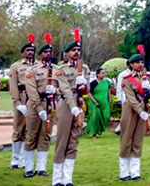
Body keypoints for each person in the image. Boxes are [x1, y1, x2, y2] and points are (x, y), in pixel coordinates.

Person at [23, 34, 63, 178]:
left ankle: (41, 167)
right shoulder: (32, 70)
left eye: (50, 52)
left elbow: (63, 88)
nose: (48, 54)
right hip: (35, 106)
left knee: (45, 135)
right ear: (40, 54)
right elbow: (31, 91)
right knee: (31, 135)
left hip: (50, 105)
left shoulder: (57, 70)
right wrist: (39, 109)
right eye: (45, 52)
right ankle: (28, 167)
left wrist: (56, 90)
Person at [53, 30, 86, 186]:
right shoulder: (61, 70)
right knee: (62, 141)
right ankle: (57, 179)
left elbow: (87, 90)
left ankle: (67, 179)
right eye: (73, 50)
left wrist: (84, 85)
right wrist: (73, 107)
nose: (76, 52)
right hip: (66, 105)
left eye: (78, 50)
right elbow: (65, 89)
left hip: (78, 104)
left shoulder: (84, 69)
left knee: (73, 142)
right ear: (66, 54)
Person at [119, 46, 150, 181]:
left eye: (142, 62)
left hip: (141, 109)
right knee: (127, 139)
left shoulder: (145, 78)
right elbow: (131, 98)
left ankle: (135, 172)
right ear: (131, 64)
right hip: (130, 109)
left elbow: (148, 96)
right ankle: (124, 172)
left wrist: (148, 89)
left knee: (138, 140)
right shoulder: (127, 79)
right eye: (137, 62)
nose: (140, 64)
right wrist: (140, 111)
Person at [8, 34, 36, 170]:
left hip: (34, 98)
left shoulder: (38, 66)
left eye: (32, 50)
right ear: (23, 53)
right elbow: (13, 85)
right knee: (18, 128)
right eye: (27, 50)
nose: (30, 52)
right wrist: (17, 103)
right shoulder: (16, 66)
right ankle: (15, 157)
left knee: (30, 128)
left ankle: (24, 158)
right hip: (22, 96)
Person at [85, 68, 112, 137]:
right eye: (102, 73)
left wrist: (109, 100)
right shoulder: (93, 83)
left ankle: (100, 130)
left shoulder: (107, 82)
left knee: (106, 116)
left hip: (104, 102)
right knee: (95, 117)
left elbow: (108, 91)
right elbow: (88, 92)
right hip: (94, 103)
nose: (104, 74)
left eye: (105, 73)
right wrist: (95, 101)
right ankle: (94, 133)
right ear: (98, 74)